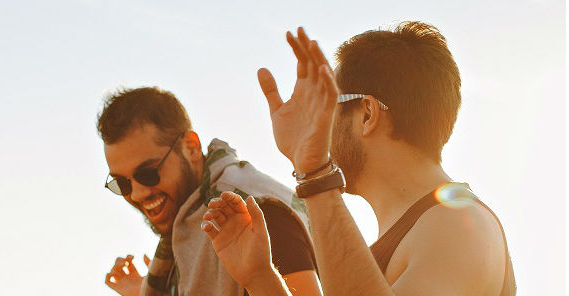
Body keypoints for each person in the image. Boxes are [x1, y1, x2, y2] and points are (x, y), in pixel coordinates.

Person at [204, 23, 515, 295]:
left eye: (330, 106)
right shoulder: (419, 233)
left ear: (367, 114)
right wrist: (262, 279)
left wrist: (314, 172)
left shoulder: (457, 225)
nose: (319, 122)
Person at [97, 87, 320, 296]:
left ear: (191, 148)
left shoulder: (253, 214)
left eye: (147, 174)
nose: (136, 194)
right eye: (122, 183)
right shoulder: (184, 233)